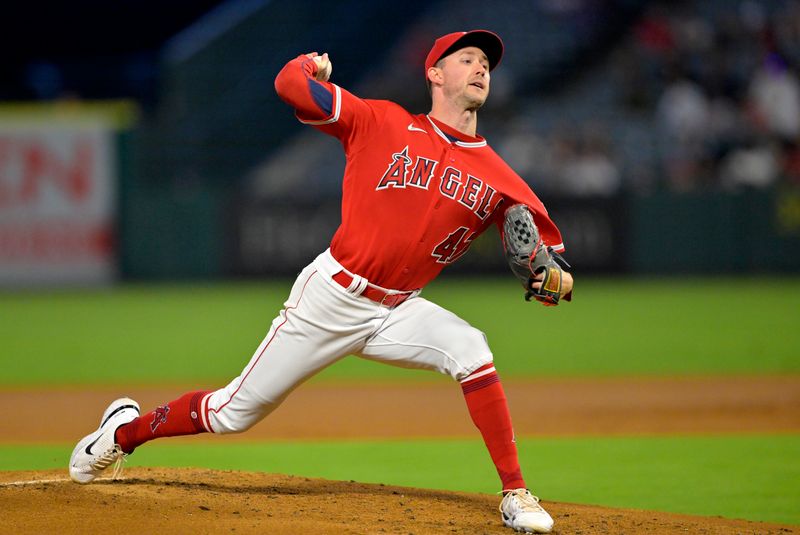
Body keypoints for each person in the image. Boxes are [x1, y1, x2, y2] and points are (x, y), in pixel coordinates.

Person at [69, 30, 573, 534]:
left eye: (486, 62)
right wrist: (311, 65)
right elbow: (289, 85)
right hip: (333, 296)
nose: (481, 68)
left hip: (399, 309)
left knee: (471, 348)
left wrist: (552, 281)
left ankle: (515, 493)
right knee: (232, 413)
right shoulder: (381, 121)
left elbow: (554, 270)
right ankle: (122, 434)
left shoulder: (503, 178)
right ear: (435, 74)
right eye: (467, 59)